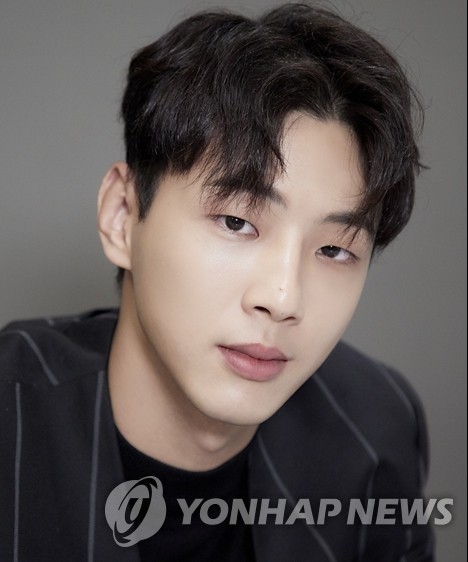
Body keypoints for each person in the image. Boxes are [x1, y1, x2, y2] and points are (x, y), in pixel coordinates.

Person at [0, 3, 434, 561]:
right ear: (122, 218)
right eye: (236, 222)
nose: (283, 298)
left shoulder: (376, 427)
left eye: (334, 249)